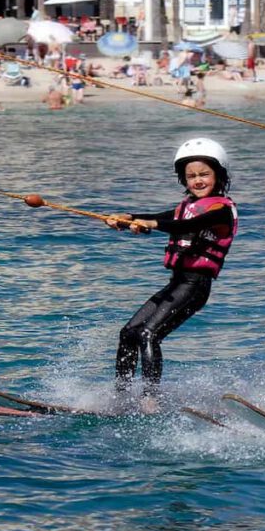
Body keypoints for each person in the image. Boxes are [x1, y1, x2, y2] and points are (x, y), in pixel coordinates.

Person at [105, 138, 238, 413]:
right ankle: (121, 397)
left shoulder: (221, 210)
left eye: (204, 174)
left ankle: (150, 400)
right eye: (191, 176)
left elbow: (187, 225)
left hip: (195, 285)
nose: (197, 181)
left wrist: (151, 224)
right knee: (128, 333)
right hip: (177, 283)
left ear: (218, 175)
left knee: (148, 334)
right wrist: (127, 217)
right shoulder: (186, 207)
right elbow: (163, 217)